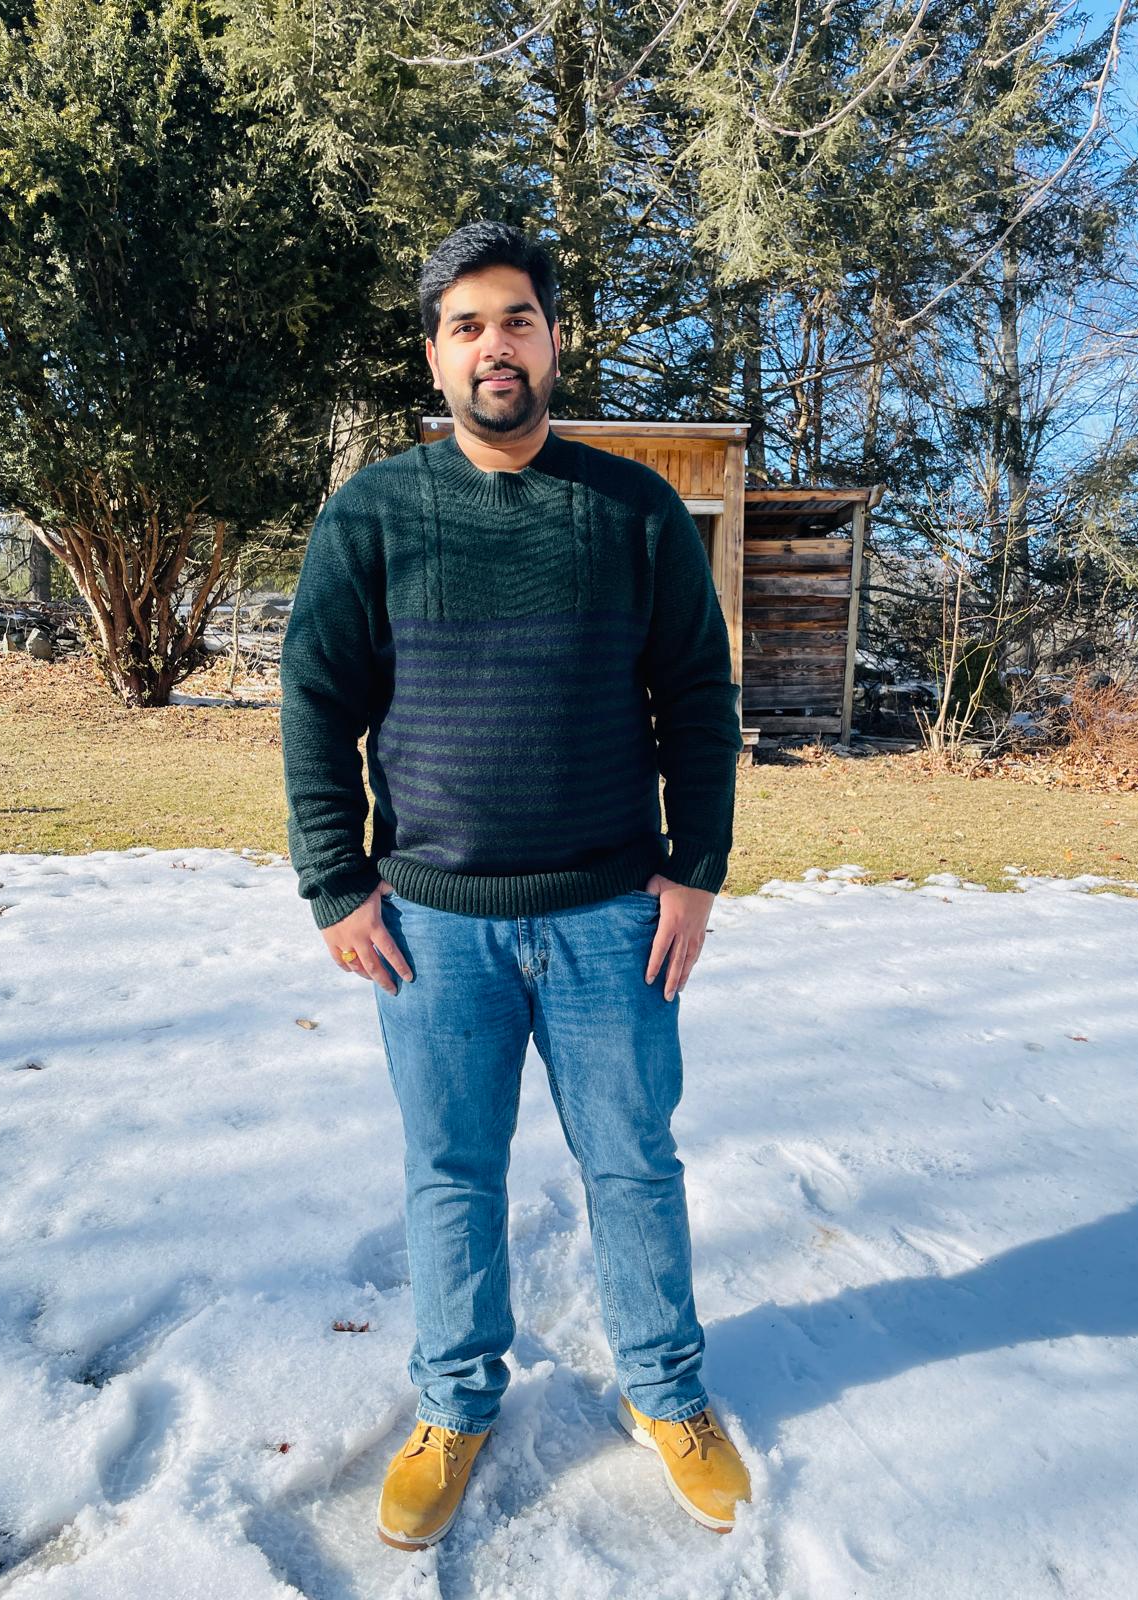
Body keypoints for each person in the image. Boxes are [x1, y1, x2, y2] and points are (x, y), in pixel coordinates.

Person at [279, 219, 751, 1551]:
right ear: (435, 355)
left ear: (553, 341)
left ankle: (666, 1391)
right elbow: (316, 701)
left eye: (519, 320)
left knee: (635, 1161)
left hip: (612, 918)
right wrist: (335, 882)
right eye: (468, 325)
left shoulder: (633, 511)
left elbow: (698, 699)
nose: (497, 345)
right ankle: (454, 1403)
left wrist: (695, 873)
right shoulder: (376, 513)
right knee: (451, 1170)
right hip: (433, 926)